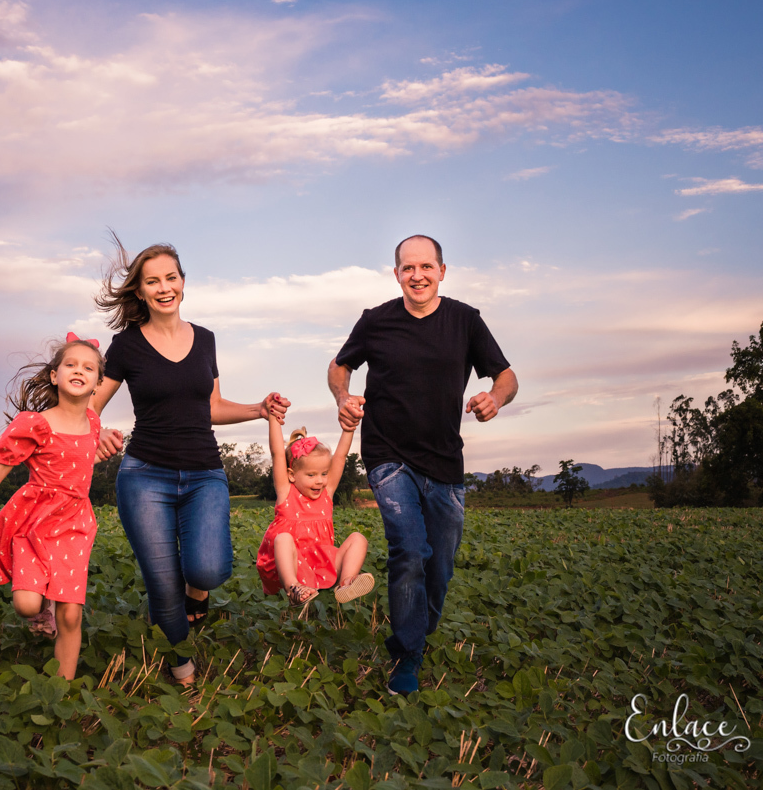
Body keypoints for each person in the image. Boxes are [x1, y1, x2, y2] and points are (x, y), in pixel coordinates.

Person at [91, 235, 289, 686]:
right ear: (139, 291)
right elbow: (89, 406)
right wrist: (97, 429)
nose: (164, 288)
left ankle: (196, 594)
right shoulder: (126, 346)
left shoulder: (205, 340)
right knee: (162, 584)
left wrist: (259, 409)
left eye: (171, 278)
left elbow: (212, 407)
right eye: (152, 281)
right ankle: (181, 667)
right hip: (144, 477)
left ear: (183, 283)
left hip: (204, 474)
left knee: (209, 568)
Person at [328, 234, 517, 695]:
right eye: (407, 268)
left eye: (426, 267)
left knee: (441, 565)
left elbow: (506, 375)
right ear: (396, 275)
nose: (417, 275)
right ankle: (408, 656)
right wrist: (343, 396)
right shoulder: (375, 321)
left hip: (445, 462)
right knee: (409, 550)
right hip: (387, 454)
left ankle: (418, 627)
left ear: (442, 271)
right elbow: (340, 366)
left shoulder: (465, 321)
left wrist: (496, 397)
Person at [0, 334, 105, 681]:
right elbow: (1, 465)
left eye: (88, 367)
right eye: (70, 365)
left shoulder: (93, 423)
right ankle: (40, 609)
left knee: (71, 615)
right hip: (35, 522)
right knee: (26, 605)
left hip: (76, 524)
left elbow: (81, 460)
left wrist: (108, 441)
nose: (79, 371)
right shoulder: (36, 423)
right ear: (54, 375)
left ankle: (61, 690)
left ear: (98, 382)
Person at [255, 412, 373, 608]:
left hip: (321, 565)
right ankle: (294, 589)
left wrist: (349, 427)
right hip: (287, 566)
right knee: (283, 538)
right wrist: (274, 419)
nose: (320, 480)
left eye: (324, 473)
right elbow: (277, 453)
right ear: (292, 475)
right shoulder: (286, 493)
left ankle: (346, 584)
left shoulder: (326, 494)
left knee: (358, 539)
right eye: (311, 475)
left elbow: (341, 456)